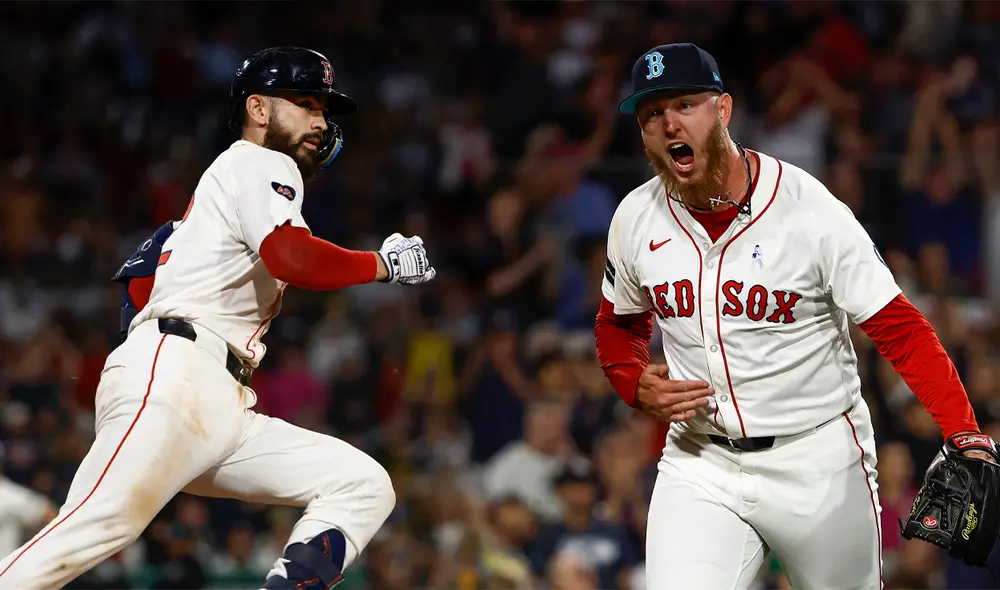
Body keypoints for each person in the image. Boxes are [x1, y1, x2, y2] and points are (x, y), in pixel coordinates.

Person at [0, 46, 436, 589]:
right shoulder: (256, 161)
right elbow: (292, 258)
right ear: (258, 109)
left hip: (215, 401)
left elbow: (137, 291)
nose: (321, 121)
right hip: (180, 373)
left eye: (325, 110)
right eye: (305, 103)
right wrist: (382, 264)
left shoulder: (210, 204)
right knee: (96, 525)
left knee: (362, 482)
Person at [594, 42, 994, 589]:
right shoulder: (636, 217)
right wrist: (631, 383)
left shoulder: (810, 210)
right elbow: (620, 323)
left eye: (684, 105)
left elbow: (898, 328)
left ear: (723, 109)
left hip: (819, 459)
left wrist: (964, 433)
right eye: (651, 116)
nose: (668, 125)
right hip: (700, 462)